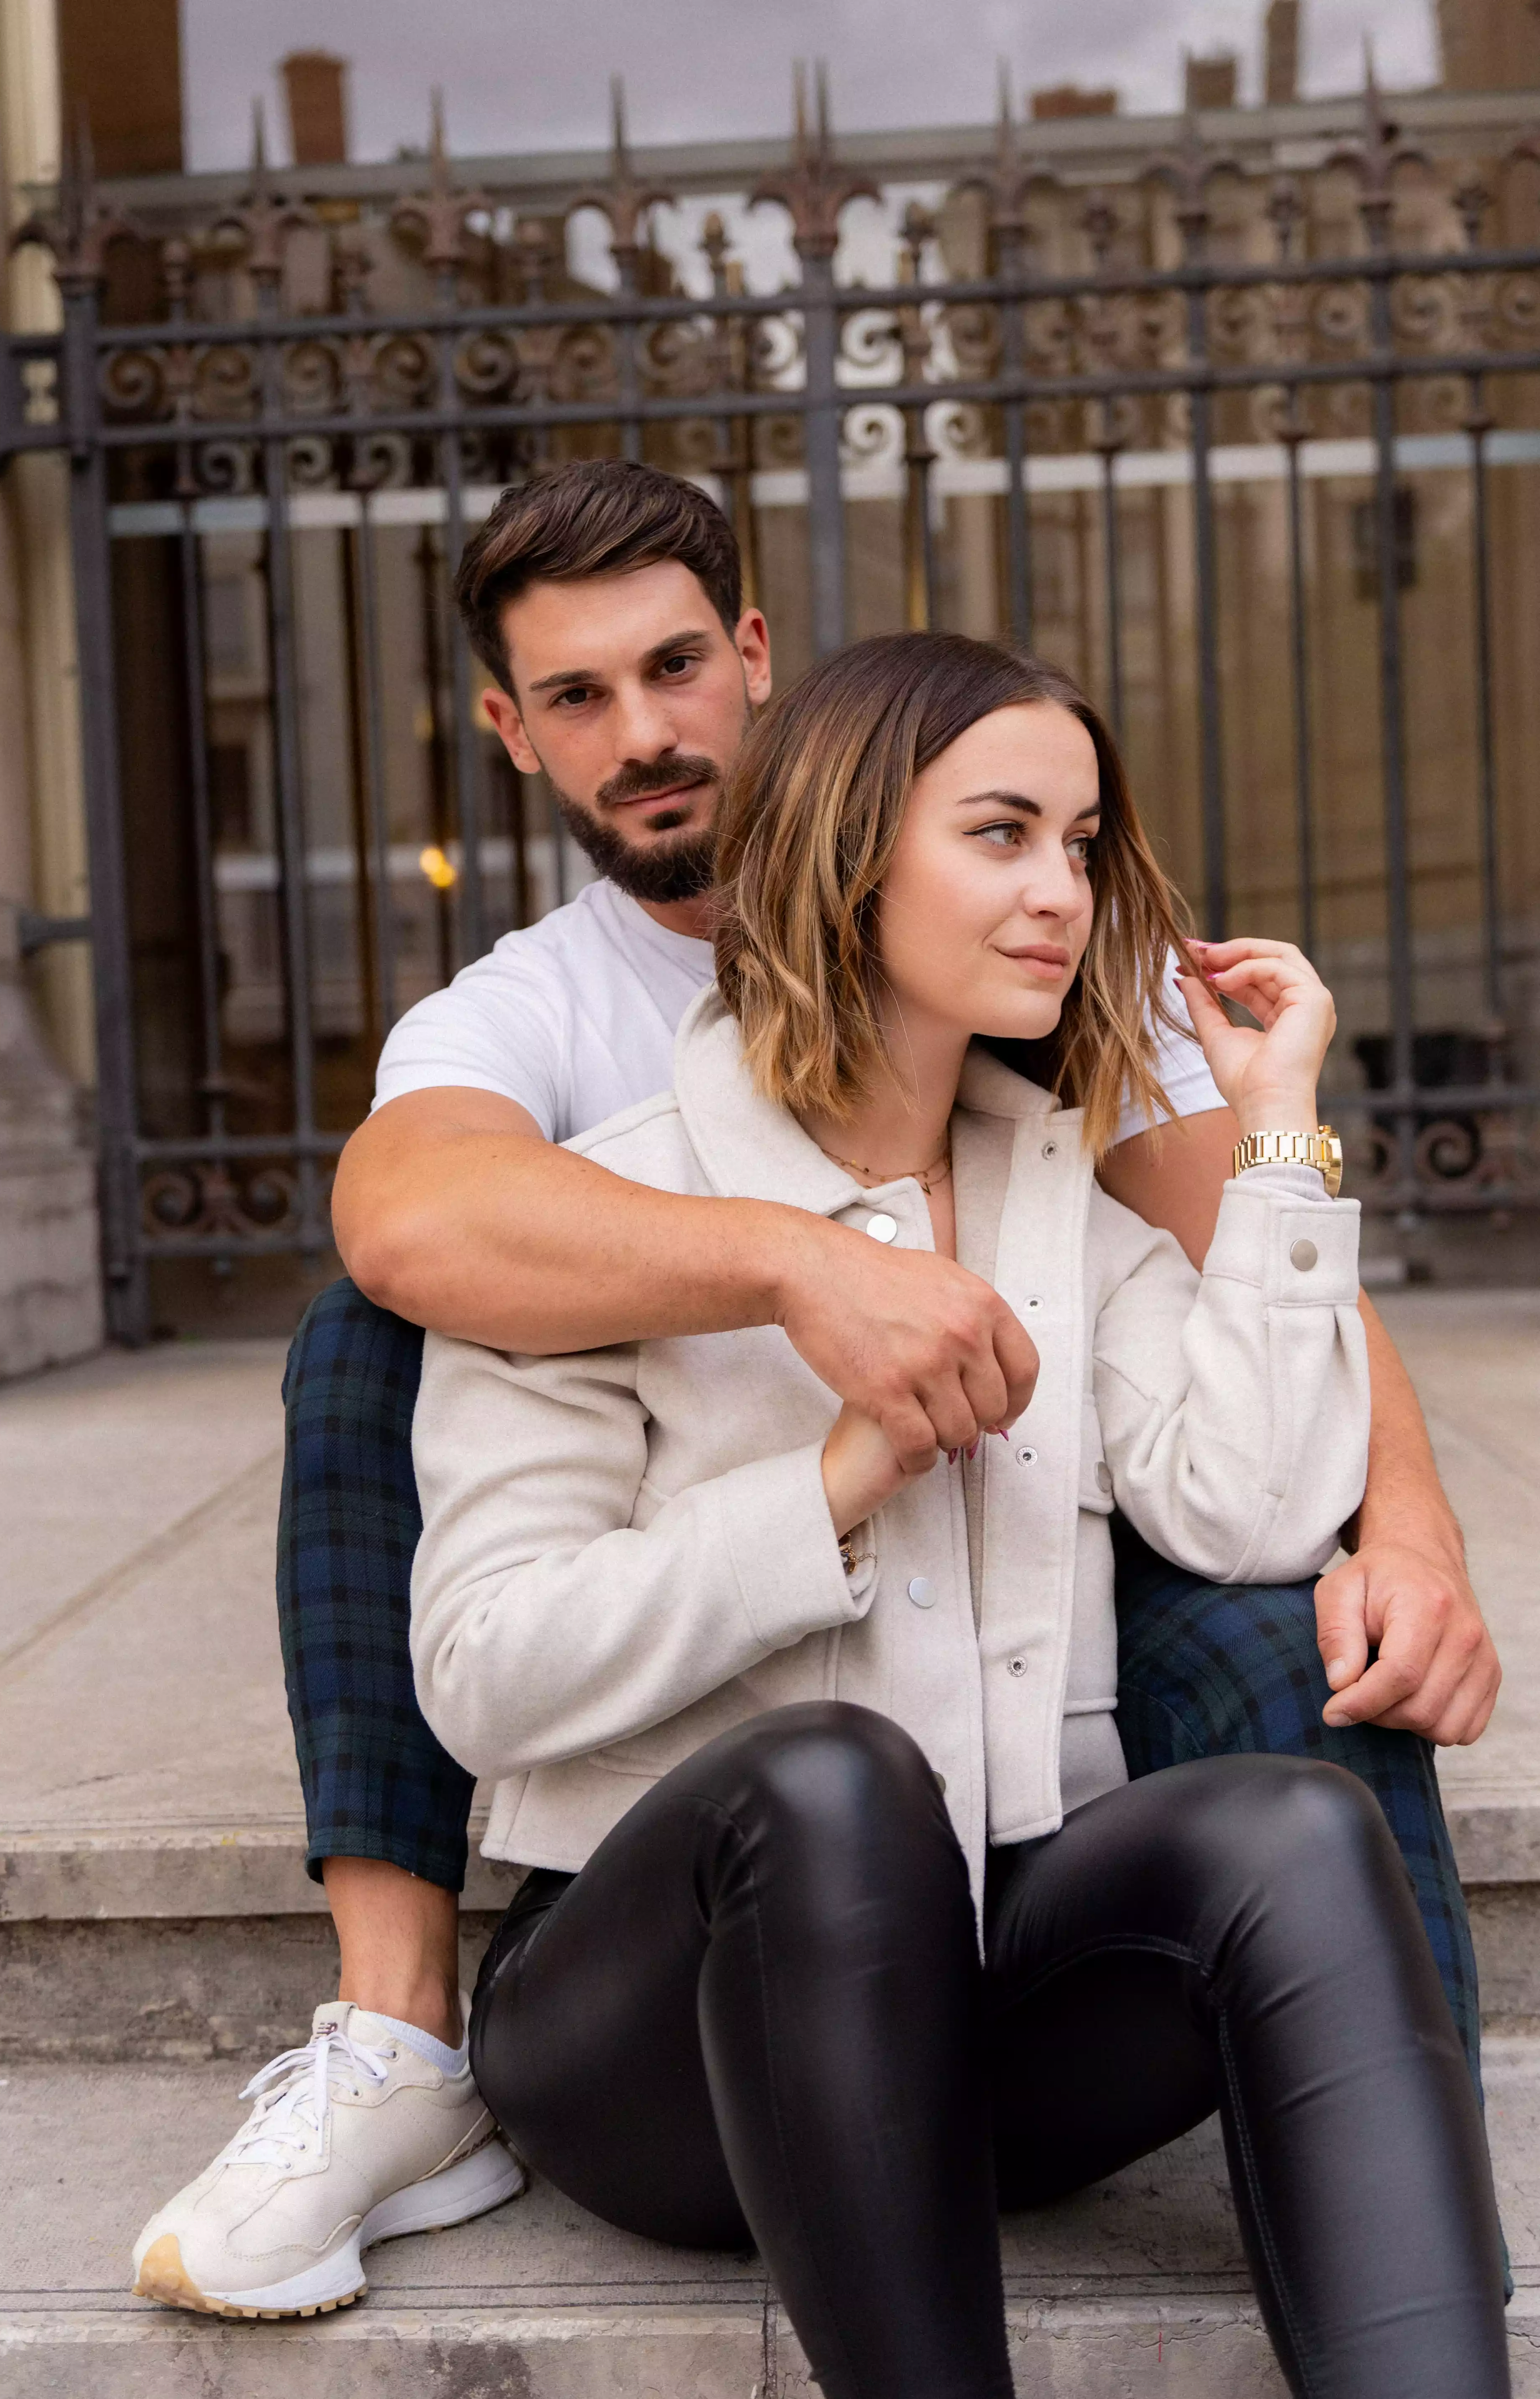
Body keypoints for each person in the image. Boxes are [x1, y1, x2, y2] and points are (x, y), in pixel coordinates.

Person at [130, 461, 1498, 2323]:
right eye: (577, 698)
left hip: (1001, 1833)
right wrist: (808, 1285)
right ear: (509, 731)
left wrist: (1397, 1501)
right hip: (697, 1921)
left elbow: (1262, 1314)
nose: (645, 733)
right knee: (394, 1369)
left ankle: (1397, 2183)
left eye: (675, 667)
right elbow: (405, 1228)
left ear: (756, 659)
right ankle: (395, 2030)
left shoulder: (1057, 1060)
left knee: (1292, 1701)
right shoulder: (541, 1022)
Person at [407, 632, 1508, 2399]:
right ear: (850, 852)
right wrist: (833, 1484)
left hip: (985, 2012)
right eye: (999, 833)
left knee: (1297, 1830)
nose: (1057, 891)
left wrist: (1279, 1133)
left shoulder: (1057, 1195)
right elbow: (481, 1674)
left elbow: (1251, 1507)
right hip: (663, 2050)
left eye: (1076, 843)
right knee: (827, 1779)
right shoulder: (609, 1210)